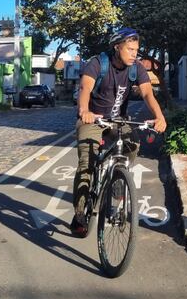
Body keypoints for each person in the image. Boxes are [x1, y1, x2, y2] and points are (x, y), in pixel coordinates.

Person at [70, 28, 167, 237]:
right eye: (130, 49)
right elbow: (85, 89)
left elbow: (148, 93)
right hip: (94, 119)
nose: (134, 54)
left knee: (133, 143)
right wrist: (84, 111)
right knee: (86, 164)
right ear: (117, 47)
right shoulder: (97, 63)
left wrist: (160, 117)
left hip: (118, 121)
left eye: (136, 50)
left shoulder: (136, 68)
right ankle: (80, 212)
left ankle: (118, 177)